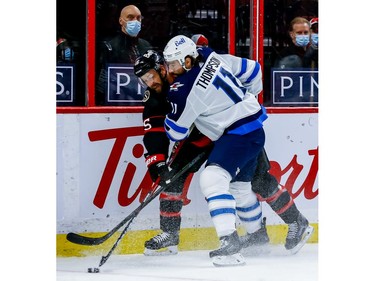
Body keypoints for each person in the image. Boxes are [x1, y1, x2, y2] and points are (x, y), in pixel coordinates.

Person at [162, 35, 313, 266]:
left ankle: (230, 244)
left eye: (172, 64)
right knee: (241, 187)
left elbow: (176, 132)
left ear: (188, 61)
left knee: (214, 178)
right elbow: (254, 70)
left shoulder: (183, 91)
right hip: (250, 127)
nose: (169, 69)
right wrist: (245, 100)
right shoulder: (212, 57)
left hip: (238, 135)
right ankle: (259, 237)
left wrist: (213, 117)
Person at [134, 50, 270, 257]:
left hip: (233, 131)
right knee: (173, 175)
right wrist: (157, 163)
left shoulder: (188, 72)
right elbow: (154, 131)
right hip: (200, 137)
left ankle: (265, 232)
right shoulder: (154, 96)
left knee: (256, 179)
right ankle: (170, 233)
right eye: (144, 80)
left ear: (163, 67)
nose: (149, 83)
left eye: (151, 76)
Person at [96, 5, 152, 103]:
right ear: (121, 21)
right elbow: (102, 85)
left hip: (142, 100)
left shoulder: (146, 46)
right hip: (117, 100)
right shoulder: (110, 47)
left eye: (138, 18)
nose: (135, 21)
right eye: (130, 17)